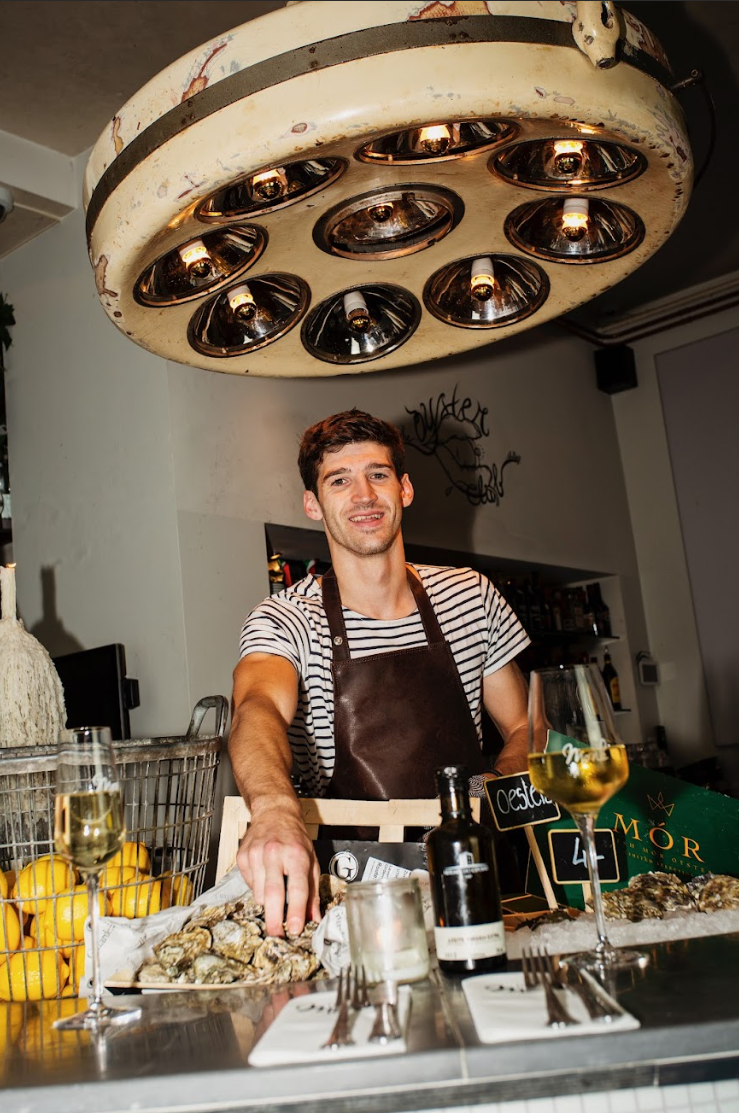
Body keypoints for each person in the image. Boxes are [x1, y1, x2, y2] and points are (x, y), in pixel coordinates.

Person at [229, 409, 530, 936]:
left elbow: (526, 727)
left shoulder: (472, 595)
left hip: (480, 879)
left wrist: (488, 798)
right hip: (357, 896)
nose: (363, 495)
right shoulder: (286, 619)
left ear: (405, 489)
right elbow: (256, 708)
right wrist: (275, 810)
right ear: (312, 504)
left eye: (378, 474)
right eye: (339, 480)